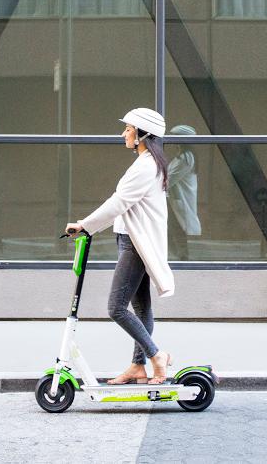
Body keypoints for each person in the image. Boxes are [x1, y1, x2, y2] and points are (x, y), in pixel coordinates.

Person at [65, 108, 175, 385]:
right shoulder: (148, 163)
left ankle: (155, 355)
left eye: (128, 129)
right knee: (140, 308)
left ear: (142, 134)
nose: (123, 133)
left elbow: (118, 203)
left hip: (135, 245)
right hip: (131, 240)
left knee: (116, 307)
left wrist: (85, 225)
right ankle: (138, 367)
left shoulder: (146, 166)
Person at [166, 124, 201, 261]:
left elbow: (170, 178)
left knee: (178, 229)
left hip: (180, 200)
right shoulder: (183, 155)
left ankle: (183, 257)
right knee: (174, 228)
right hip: (175, 199)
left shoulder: (186, 158)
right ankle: (179, 256)